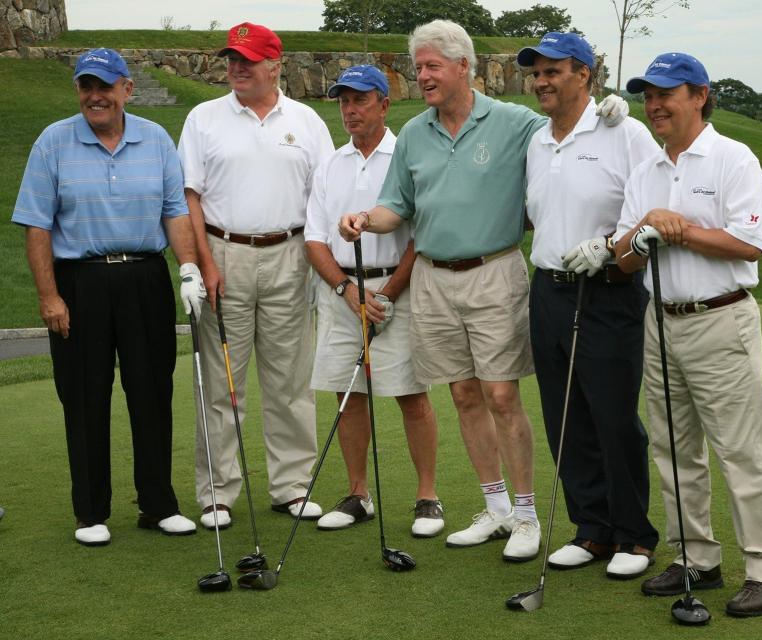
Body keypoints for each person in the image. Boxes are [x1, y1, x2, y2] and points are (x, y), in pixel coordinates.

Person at [339, 20, 628, 562]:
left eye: (431, 66)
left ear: (463, 67)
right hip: (431, 277)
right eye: (418, 66)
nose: (420, 75)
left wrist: (612, 110)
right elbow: (396, 207)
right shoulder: (415, 134)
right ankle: (494, 508)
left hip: (493, 271)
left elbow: (566, 122)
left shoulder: (513, 122)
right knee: (463, 394)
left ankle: (525, 514)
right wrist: (364, 219)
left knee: (500, 394)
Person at [615, 52, 762, 617]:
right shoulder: (645, 169)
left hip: (721, 319)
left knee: (741, 451)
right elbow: (622, 259)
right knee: (673, 450)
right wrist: (645, 229)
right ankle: (696, 558)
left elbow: (749, 244)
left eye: (667, 93)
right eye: (648, 95)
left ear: (700, 96)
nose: (655, 104)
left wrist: (680, 229)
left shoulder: (733, 158)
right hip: (659, 321)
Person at [11, 48, 204, 546]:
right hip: (80, 282)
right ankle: (91, 512)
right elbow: (36, 225)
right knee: (84, 397)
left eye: (105, 86)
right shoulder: (53, 141)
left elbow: (174, 211)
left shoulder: (155, 137)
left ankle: (158, 504)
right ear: (78, 90)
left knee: (151, 393)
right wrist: (49, 296)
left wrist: (188, 268)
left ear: (127, 89)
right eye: (85, 87)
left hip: (144, 278)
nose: (95, 96)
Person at [177, 23, 334, 530]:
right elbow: (190, 197)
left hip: (290, 254)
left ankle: (291, 486)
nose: (236, 67)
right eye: (231, 59)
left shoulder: (307, 121)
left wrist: (317, 263)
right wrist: (204, 262)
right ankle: (217, 493)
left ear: (275, 64)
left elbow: (323, 198)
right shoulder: (204, 118)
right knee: (223, 384)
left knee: (290, 380)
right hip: (225, 253)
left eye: (247, 59)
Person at [518, 32, 660, 580]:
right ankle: (591, 528)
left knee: (612, 414)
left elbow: (653, 209)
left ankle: (634, 535)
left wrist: (606, 247)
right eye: (536, 73)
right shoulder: (536, 140)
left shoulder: (624, 130)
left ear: (584, 73)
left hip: (608, 291)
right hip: (549, 288)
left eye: (553, 71)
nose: (542, 81)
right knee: (564, 414)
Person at [305, 66, 443, 537]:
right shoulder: (331, 163)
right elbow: (315, 240)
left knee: (410, 394)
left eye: (360, 100)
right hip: (343, 295)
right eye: (344, 101)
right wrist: (347, 291)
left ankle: (428, 498)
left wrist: (384, 295)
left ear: (384, 104)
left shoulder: (408, 155)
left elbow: (419, 237)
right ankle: (358, 494)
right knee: (350, 397)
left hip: (396, 292)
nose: (350, 110)